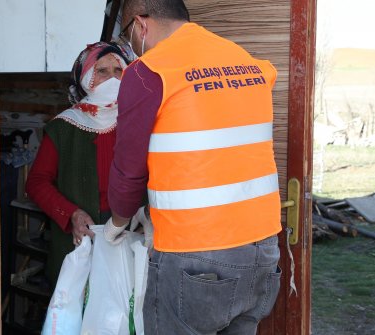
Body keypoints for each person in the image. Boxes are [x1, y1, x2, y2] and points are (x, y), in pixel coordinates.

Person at [103, 0, 283, 334]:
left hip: (195, 258)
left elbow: (129, 169)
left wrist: (119, 220)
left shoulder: (149, 73)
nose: (132, 49)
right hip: (262, 250)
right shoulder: (246, 63)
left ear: (140, 25)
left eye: (128, 37)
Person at [26, 42, 130, 286]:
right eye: (102, 71)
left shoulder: (136, 120)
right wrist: (70, 213)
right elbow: (37, 182)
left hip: (128, 232)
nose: (112, 79)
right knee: (77, 314)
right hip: (80, 235)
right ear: (85, 78)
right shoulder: (64, 126)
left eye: (118, 71)